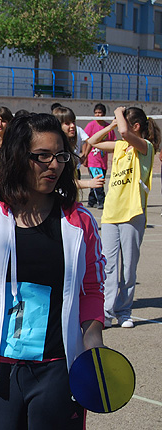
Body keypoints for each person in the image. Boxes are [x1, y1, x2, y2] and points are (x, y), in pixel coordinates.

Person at [0, 113, 105, 429]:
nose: (54, 165)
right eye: (42, 156)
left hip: (58, 370)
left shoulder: (80, 223)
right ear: (17, 157)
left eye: (60, 156)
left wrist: (93, 343)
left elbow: (91, 289)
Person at [86, 107, 160, 329]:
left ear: (135, 126)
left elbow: (126, 133)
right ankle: (107, 312)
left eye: (121, 124)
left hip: (132, 214)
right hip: (111, 214)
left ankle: (124, 311)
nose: (119, 129)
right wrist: (111, 125)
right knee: (108, 266)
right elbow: (93, 141)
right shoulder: (119, 145)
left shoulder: (145, 147)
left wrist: (119, 112)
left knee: (128, 268)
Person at [52, 106, 104, 193]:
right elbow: (64, 183)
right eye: (67, 123)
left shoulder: (71, 144)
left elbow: (91, 141)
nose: (72, 126)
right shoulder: (58, 154)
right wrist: (89, 183)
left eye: (73, 122)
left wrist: (110, 127)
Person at [83, 103, 115, 209]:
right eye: (96, 113)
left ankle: (91, 201)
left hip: (102, 161)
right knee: (98, 181)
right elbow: (86, 142)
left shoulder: (108, 127)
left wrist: (113, 158)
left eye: (100, 113)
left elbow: (113, 143)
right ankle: (102, 201)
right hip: (93, 161)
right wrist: (85, 156)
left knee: (97, 180)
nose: (98, 115)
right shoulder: (90, 125)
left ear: (104, 114)